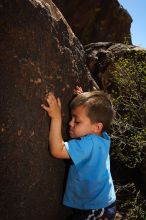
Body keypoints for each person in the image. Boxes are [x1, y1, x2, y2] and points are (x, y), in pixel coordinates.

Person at [41, 86, 116, 220]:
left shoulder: (88, 143)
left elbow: (57, 150)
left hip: (95, 209)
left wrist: (56, 117)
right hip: (102, 202)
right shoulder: (101, 136)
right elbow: (92, 118)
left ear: (96, 127)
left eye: (77, 121)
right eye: (72, 118)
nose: (70, 123)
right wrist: (82, 100)